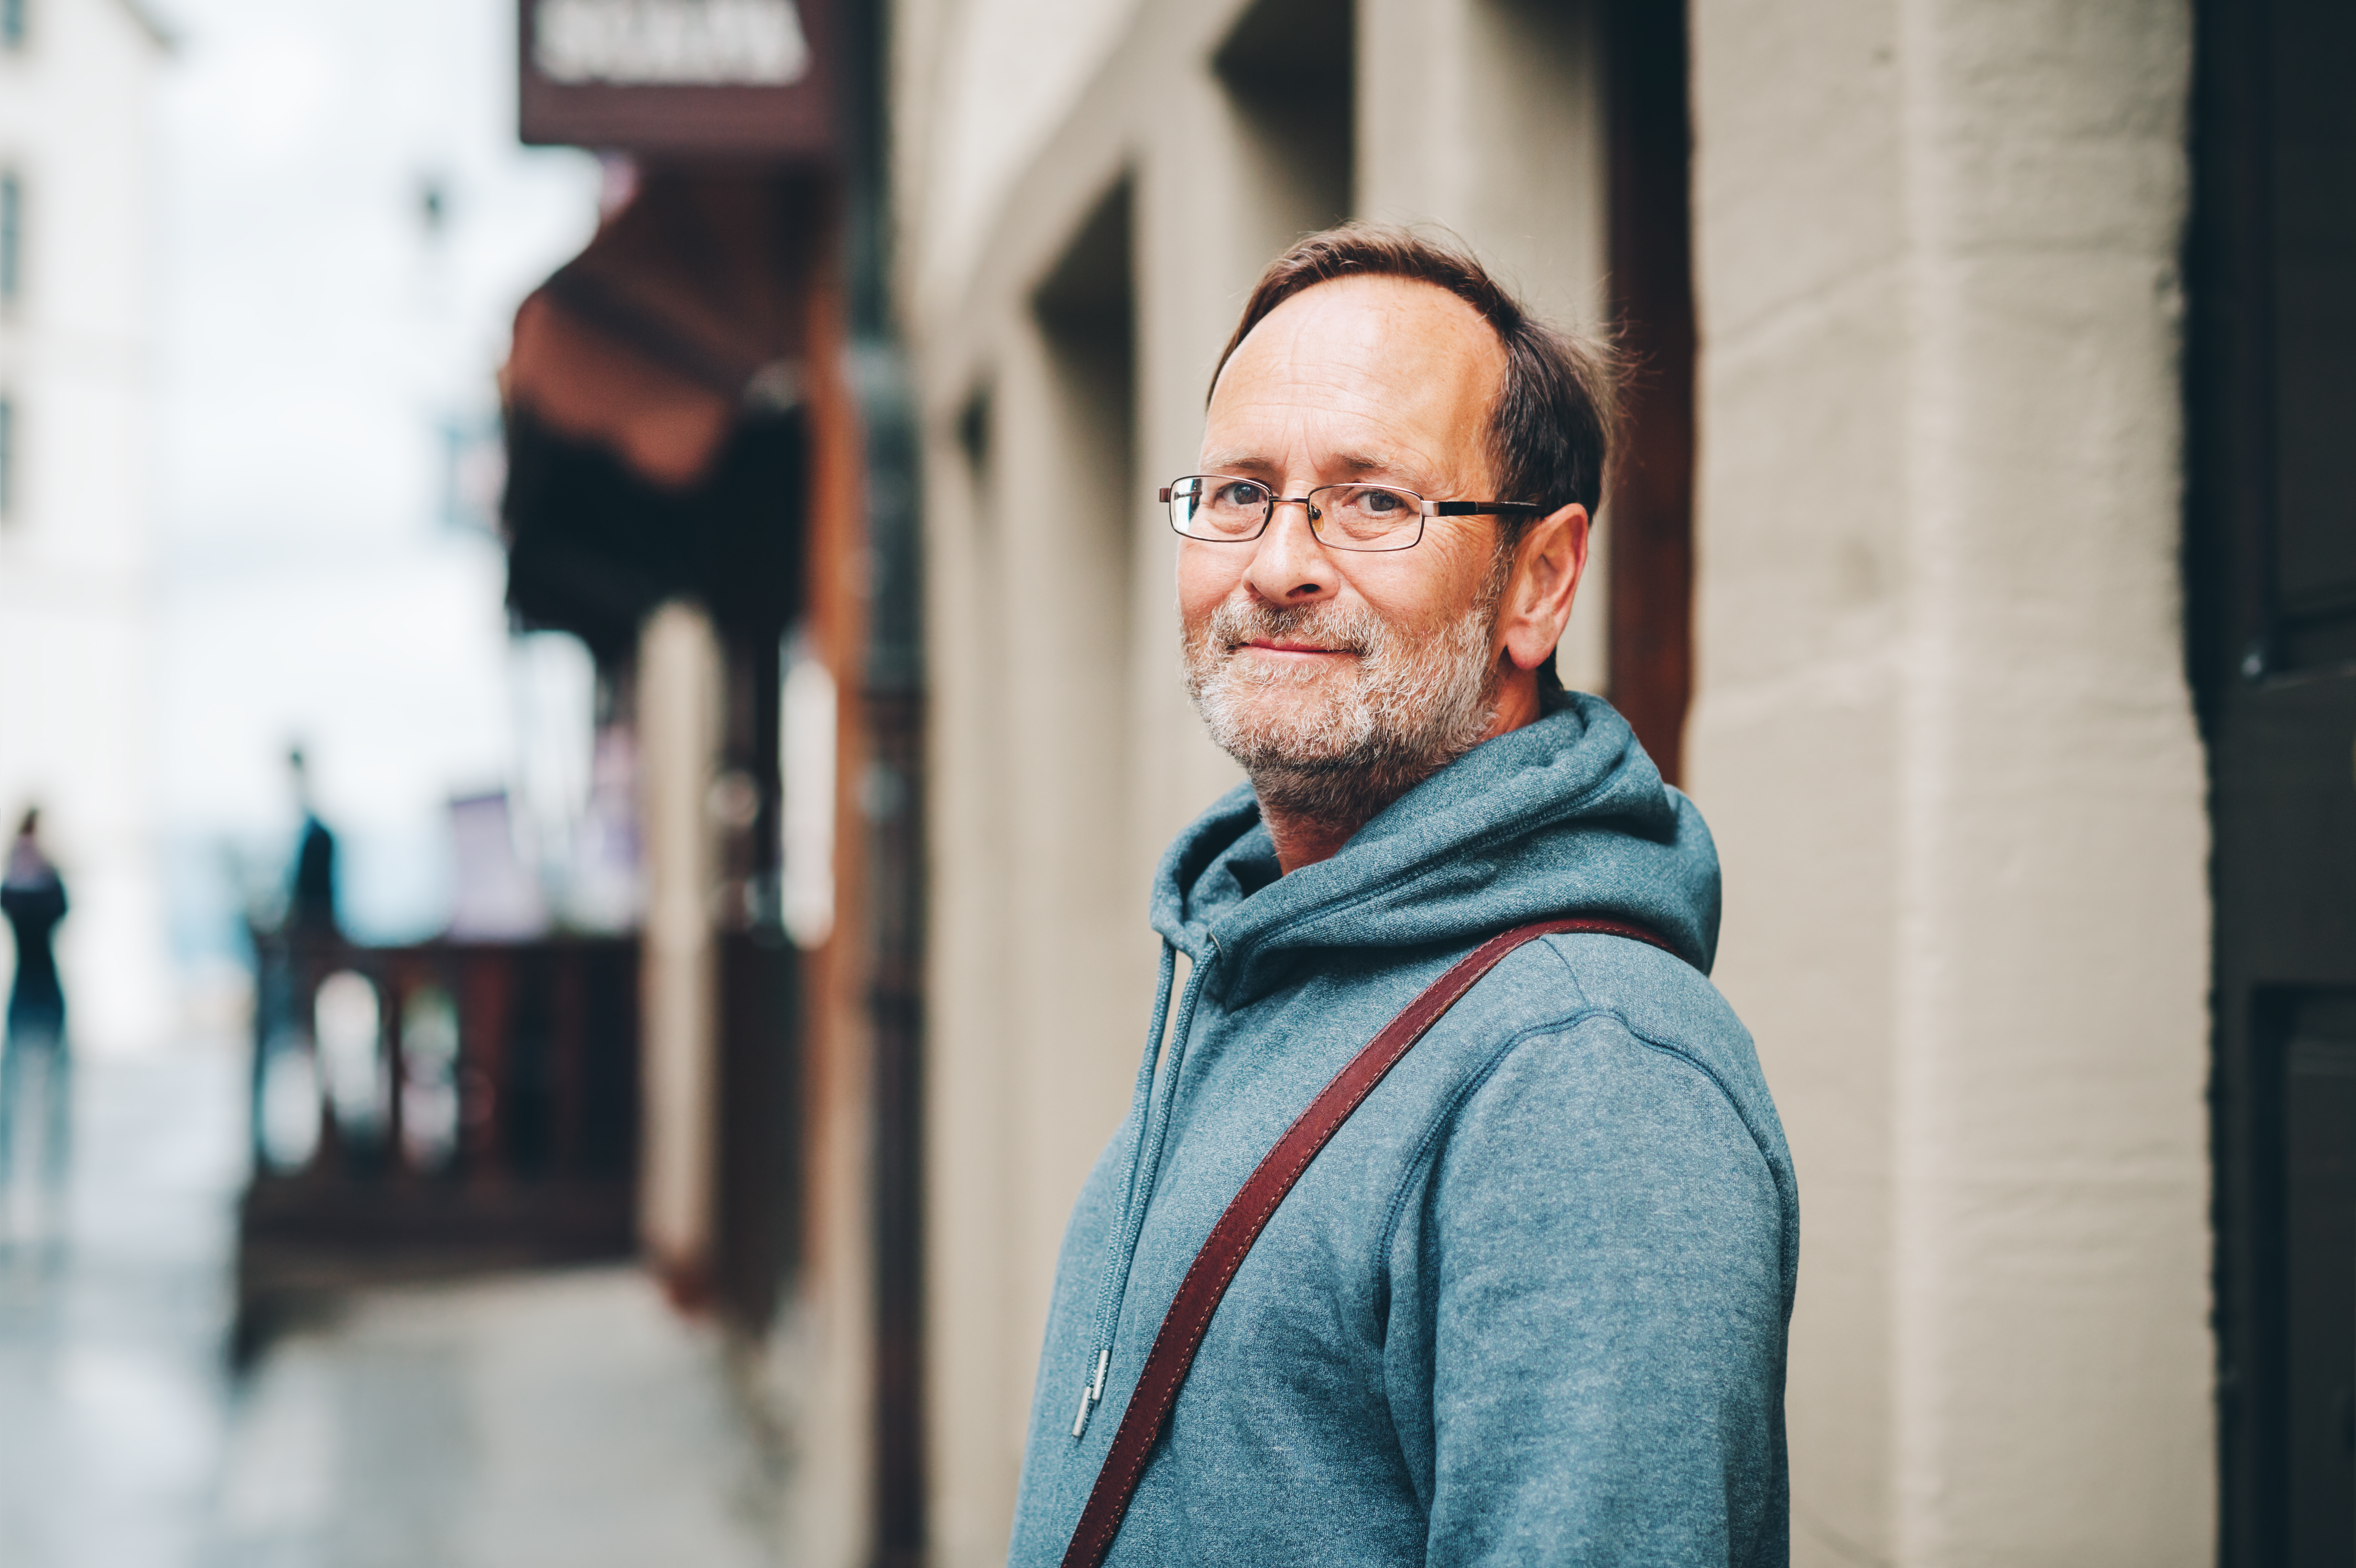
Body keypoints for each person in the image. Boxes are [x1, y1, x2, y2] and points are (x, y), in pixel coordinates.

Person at [1008, 228, 1797, 1566]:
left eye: (1373, 502)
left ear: (1536, 583)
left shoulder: (1583, 1071)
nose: (1276, 565)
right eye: (1240, 493)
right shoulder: (1252, 953)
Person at [1, 808, 71, 1199]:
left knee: (50, 1086)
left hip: (40, 987)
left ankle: (46, 1170)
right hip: (32, 986)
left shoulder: (36, 880)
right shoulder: (22, 880)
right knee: (15, 1088)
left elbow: (59, 910)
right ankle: (15, 1172)